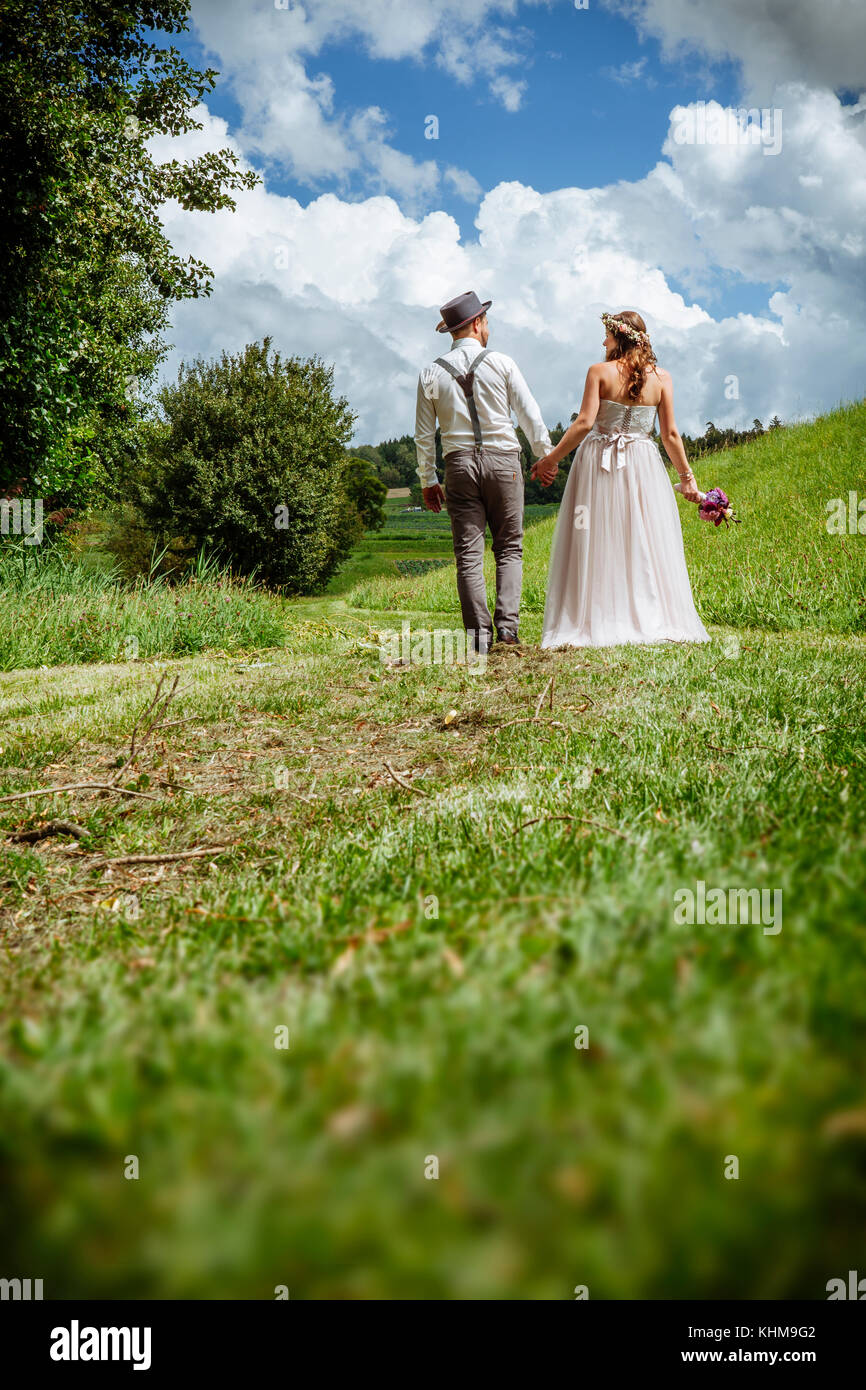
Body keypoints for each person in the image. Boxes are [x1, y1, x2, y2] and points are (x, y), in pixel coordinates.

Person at [532, 310, 709, 648]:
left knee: (595, 536)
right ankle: (649, 615)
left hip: (598, 462)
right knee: (640, 535)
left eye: (607, 336)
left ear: (620, 337)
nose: (603, 342)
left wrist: (550, 460)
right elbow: (670, 434)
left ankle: (597, 616)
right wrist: (688, 479)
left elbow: (584, 423)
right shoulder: (663, 378)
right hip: (643, 465)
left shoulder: (598, 372)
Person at [415, 290, 551, 651]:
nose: (487, 326)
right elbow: (529, 415)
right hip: (503, 461)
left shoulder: (430, 373)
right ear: (476, 324)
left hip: (458, 466)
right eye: (485, 320)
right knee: (509, 547)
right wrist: (545, 456)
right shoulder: (502, 362)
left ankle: (479, 637)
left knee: (468, 554)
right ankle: (508, 631)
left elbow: (424, 435)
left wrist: (428, 481)